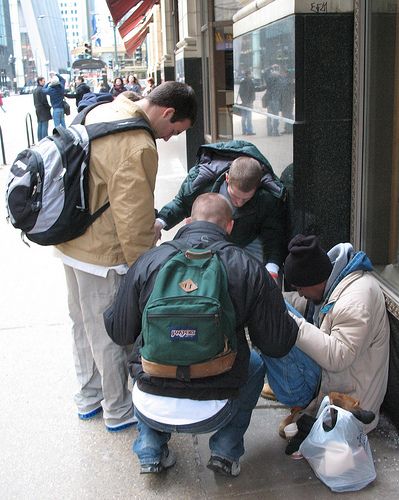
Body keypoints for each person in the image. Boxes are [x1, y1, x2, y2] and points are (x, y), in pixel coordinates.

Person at [104, 192, 298, 476]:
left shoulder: (150, 261)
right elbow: (277, 344)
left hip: (151, 401)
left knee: (139, 348)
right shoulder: (247, 267)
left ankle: (150, 446)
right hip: (215, 407)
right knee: (255, 365)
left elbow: (118, 331)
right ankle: (225, 451)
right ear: (229, 226)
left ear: (188, 220)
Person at [55, 81, 197, 432]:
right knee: (110, 332)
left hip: (71, 241)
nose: (168, 138)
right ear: (166, 113)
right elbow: (133, 223)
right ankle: (117, 409)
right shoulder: (138, 144)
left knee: (82, 324)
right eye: (174, 130)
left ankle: (89, 397)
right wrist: (147, 272)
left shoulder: (108, 109)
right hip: (102, 254)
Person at [262, 234, 390, 435]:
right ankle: (285, 381)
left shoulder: (355, 304)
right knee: (268, 304)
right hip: (334, 378)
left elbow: (337, 358)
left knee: (275, 322)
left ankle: (293, 391)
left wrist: (290, 322)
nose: (301, 293)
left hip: (351, 402)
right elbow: (304, 303)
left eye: (300, 288)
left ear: (314, 280)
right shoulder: (336, 279)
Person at [154, 155, 286, 281]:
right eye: (235, 196)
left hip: (248, 240)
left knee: (257, 277)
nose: (239, 203)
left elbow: (273, 234)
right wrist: (160, 222)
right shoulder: (201, 183)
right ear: (227, 178)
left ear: (257, 187)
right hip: (208, 239)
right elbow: (181, 203)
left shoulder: (267, 199)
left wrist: (272, 267)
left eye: (245, 198)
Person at [238, 70, 256, 135]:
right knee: (248, 117)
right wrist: (250, 101)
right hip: (248, 102)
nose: (251, 75)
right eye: (251, 74)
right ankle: (249, 131)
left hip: (244, 102)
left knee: (244, 117)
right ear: (248, 74)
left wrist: (244, 100)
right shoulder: (250, 82)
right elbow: (252, 91)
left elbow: (241, 92)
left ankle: (244, 131)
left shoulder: (242, 82)